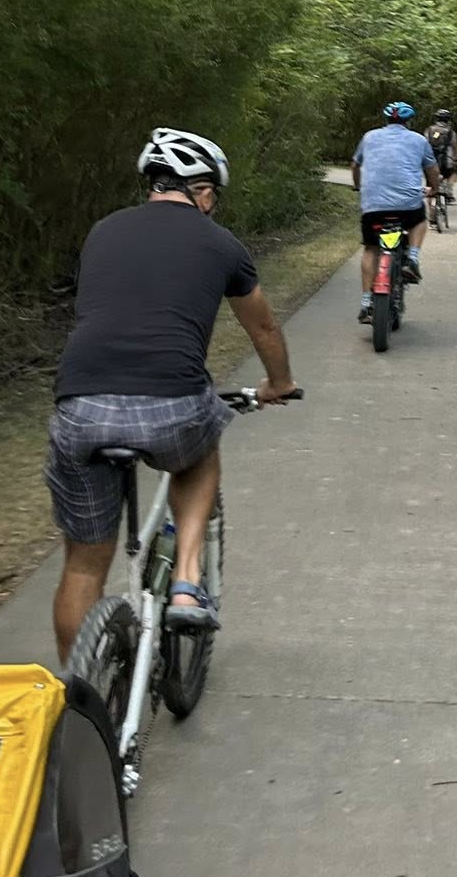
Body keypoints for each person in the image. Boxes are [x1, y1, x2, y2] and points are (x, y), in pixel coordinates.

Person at [48, 127, 300, 663]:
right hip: (172, 404)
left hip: (80, 405)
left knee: (83, 565)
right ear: (203, 191)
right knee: (200, 450)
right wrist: (278, 384)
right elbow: (265, 329)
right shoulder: (221, 244)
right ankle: (187, 580)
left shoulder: (102, 231)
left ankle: (76, 698)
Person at [352, 100, 441, 320]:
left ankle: (366, 304)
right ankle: (411, 258)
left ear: (386, 120)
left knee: (371, 248)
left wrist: (358, 186)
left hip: (373, 206)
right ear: (409, 121)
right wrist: (434, 190)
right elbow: (432, 170)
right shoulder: (419, 140)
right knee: (420, 219)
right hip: (408, 205)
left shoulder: (369, 137)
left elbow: (355, 165)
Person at [425, 108, 457, 202]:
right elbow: (454, 146)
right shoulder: (451, 132)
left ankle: (431, 211)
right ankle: (449, 190)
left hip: (431, 160)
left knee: (430, 185)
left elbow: (425, 143)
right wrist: (455, 157)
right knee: (452, 173)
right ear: (448, 120)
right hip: (446, 161)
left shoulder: (430, 130)